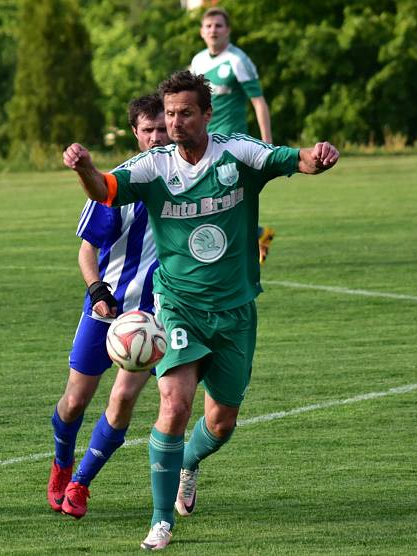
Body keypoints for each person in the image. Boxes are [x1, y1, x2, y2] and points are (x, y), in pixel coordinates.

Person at [62, 70, 339, 550]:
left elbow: (296, 160)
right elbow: (104, 190)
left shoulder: (237, 153)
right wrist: (84, 166)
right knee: (174, 404)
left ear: (206, 114)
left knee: (221, 422)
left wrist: (319, 156)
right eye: (169, 114)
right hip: (179, 307)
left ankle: (189, 462)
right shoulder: (155, 166)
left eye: (185, 113)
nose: (175, 123)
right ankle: (159, 520)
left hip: (235, 310)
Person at [47, 94, 170, 519]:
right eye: (148, 130)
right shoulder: (117, 185)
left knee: (122, 400)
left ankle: (81, 484)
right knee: (75, 401)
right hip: (108, 308)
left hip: (156, 316)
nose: (156, 137)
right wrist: (99, 290)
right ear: (136, 135)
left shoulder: (189, 180)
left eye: (162, 128)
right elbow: (87, 252)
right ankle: (62, 463)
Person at [191, 6, 277, 264]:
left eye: (218, 25)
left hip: (231, 144)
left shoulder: (238, 60)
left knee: (218, 198)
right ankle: (259, 234)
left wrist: (267, 143)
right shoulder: (198, 61)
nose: (213, 30)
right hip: (203, 142)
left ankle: (230, 249)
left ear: (227, 30)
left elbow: (258, 102)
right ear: (201, 32)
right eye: (209, 26)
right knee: (214, 199)